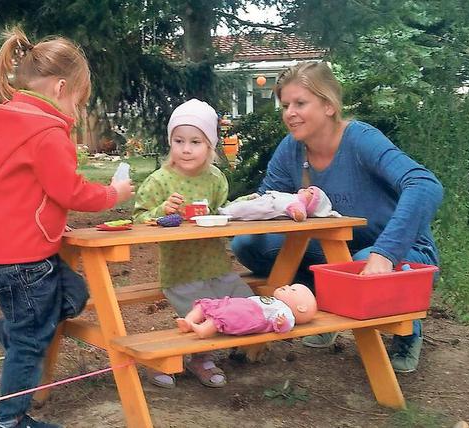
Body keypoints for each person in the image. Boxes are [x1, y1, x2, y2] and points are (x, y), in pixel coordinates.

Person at [230, 61, 443, 373]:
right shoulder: (292, 149)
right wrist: (234, 211)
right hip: (335, 249)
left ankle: (408, 330)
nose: (290, 113)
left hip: (401, 251)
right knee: (249, 244)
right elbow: (269, 203)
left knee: (365, 257)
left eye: (300, 103)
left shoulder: (360, 140)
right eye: (286, 105)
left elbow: (425, 185)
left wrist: (385, 254)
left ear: (329, 106)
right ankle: (321, 302)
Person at [0, 27, 135, 428]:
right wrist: (114, 193)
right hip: (23, 257)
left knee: (73, 292)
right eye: (79, 100)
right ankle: (9, 420)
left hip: (0, 253)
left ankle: (9, 332)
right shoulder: (47, 133)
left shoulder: (5, 122)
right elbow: (70, 191)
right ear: (62, 87)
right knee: (30, 341)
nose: (78, 111)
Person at [132, 99, 254, 388]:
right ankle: (190, 359)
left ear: (209, 146)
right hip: (181, 271)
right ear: (170, 142)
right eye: (179, 140)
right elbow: (138, 220)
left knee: (247, 303)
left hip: (216, 266)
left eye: (196, 141)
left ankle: (223, 352)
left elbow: (222, 211)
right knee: (198, 315)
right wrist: (162, 211)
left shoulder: (216, 179)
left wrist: (241, 209)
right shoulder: (160, 181)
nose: (186, 149)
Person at [177, 283, 317, 338]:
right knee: (207, 304)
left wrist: (282, 324)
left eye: (292, 289)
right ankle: (188, 322)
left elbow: (286, 327)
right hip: (242, 305)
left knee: (226, 316)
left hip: (251, 316)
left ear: (301, 308)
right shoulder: (276, 301)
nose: (286, 285)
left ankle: (204, 330)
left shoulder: (285, 311)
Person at [218, 185, 338, 221]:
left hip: (268, 207)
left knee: (246, 209)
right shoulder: (295, 197)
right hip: (267, 199)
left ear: (312, 204)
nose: (307, 190)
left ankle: (227, 213)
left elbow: (299, 213)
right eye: (308, 188)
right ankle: (228, 208)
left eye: (311, 193)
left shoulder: (298, 203)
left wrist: (298, 214)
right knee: (246, 204)